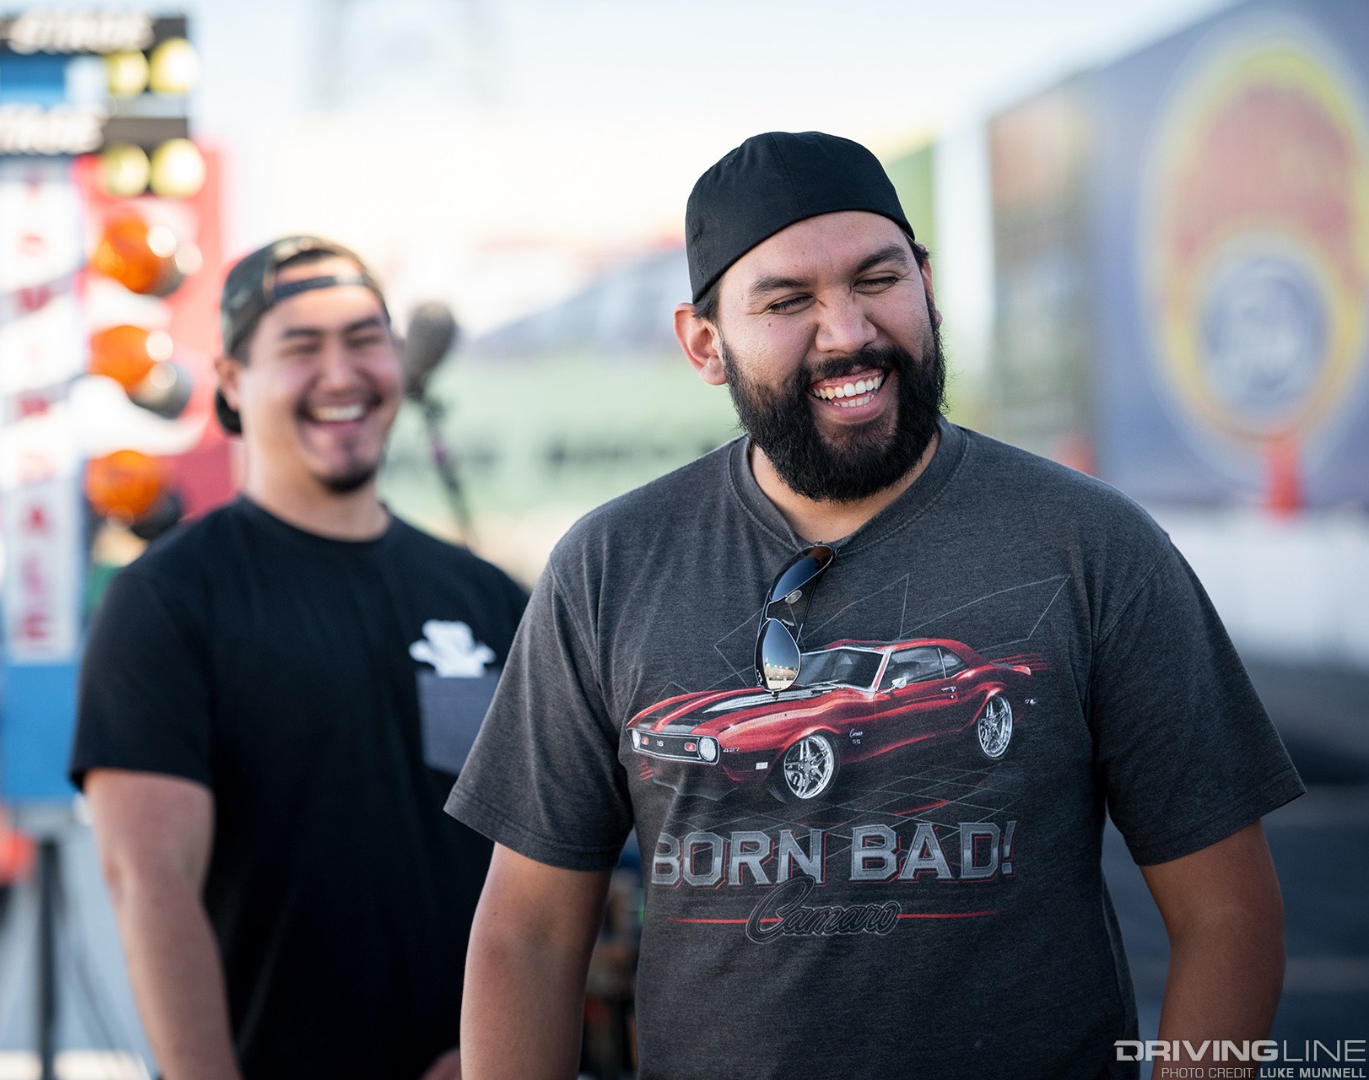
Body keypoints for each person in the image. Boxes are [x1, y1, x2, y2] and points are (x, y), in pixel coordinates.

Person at [445, 132, 1303, 1080]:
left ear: (925, 284)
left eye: (876, 280)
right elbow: (528, 933)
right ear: (704, 343)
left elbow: (1227, 914)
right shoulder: (608, 567)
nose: (848, 331)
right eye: (787, 301)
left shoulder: (1091, 546)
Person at [71, 235, 528, 1080]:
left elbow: (545, 864)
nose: (341, 374)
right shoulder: (168, 601)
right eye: (300, 347)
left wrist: (511, 1053)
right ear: (234, 384)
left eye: (364, 340)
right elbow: (151, 885)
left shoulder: (487, 597)